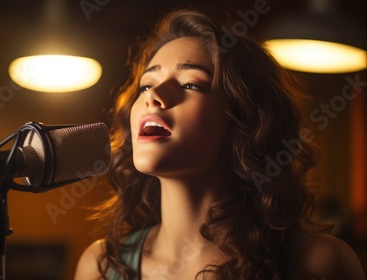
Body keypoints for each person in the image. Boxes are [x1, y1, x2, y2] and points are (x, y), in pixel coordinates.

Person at [74, 8, 366, 280]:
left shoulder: (319, 263)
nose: (153, 96)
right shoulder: (101, 266)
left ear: (246, 120)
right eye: (146, 85)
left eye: (191, 84)